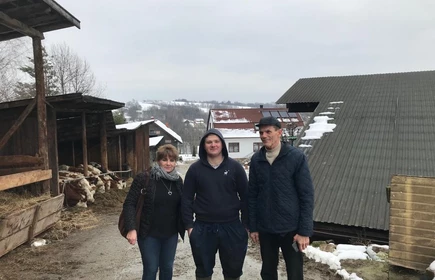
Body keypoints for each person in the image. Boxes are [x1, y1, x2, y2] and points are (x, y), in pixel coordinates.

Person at [248, 116, 314, 280]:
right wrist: (254, 226)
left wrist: (304, 231)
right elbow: (252, 195)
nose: (264, 135)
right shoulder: (257, 160)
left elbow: (306, 195)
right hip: (266, 228)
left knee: (294, 272)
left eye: (268, 131)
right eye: (261, 132)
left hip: (290, 229)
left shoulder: (295, 157)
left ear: (279, 132)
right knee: (268, 271)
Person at [181, 128, 249, 280]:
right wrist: (189, 226)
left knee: (233, 271)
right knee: (204, 272)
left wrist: (245, 225)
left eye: (216, 141)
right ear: (203, 146)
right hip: (203, 227)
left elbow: (246, 197)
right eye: (209, 142)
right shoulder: (195, 169)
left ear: (222, 144)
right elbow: (186, 199)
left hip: (231, 226)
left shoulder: (235, 168)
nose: (213, 145)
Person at [123, 144, 185, 280]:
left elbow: (184, 204)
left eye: (172, 160)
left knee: (167, 268)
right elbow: (129, 204)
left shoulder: (177, 181)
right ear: (158, 160)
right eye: (165, 159)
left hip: (171, 234)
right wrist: (131, 228)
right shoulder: (144, 178)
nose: (168, 163)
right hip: (149, 234)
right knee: (151, 269)